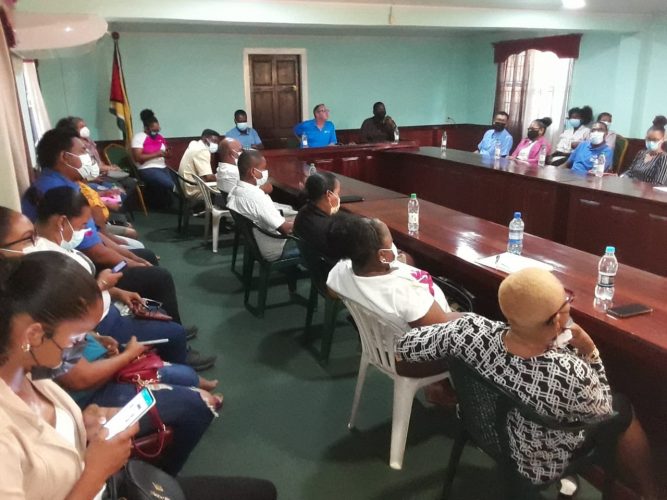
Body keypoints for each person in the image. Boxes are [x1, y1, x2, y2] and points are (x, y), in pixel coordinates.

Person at [0, 253, 277, 500]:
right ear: (33, 335)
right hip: (97, 483)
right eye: (76, 339)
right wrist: (96, 472)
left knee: (262, 491)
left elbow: (56, 436)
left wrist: (87, 422)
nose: (82, 347)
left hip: (106, 483)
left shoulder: (32, 372)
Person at [395, 268, 657, 499]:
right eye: (566, 300)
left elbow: (405, 347)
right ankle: (653, 493)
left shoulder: (467, 330)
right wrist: (590, 351)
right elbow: (601, 411)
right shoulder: (569, 371)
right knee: (623, 408)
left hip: (481, 428)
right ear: (558, 320)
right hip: (536, 462)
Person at [5, 195, 215, 371]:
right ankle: (180, 369)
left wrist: (117, 293)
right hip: (104, 323)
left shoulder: (47, 249)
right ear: (61, 222)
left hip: (103, 314)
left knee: (160, 312)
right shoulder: (36, 267)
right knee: (175, 333)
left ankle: (171, 359)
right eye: (28, 237)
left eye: (33, 234)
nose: (34, 241)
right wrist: (102, 289)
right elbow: (66, 315)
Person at [326, 215, 450, 331]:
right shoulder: (405, 292)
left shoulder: (340, 270)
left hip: (379, 343)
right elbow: (443, 329)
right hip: (414, 348)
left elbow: (332, 293)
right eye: (391, 244)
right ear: (382, 255)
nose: (394, 248)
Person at [227, 150, 299, 261]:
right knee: (316, 234)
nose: (265, 172)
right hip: (274, 249)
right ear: (253, 172)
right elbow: (286, 230)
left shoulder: (234, 191)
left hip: (257, 243)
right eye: (263, 168)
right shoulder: (257, 198)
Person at [131, 108, 175, 209]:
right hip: (147, 168)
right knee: (170, 184)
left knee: (179, 183)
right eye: (154, 130)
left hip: (163, 167)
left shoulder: (160, 137)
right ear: (146, 128)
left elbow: (168, 155)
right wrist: (157, 154)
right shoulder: (139, 137)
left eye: (158, 129)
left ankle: (173, 205)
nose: (156, 132)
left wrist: (168, 153)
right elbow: (138, 158)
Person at [294, 171, 341, 258]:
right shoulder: (329, 228)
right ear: (329, 195)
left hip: (312, 264)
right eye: (337, 193)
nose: (338, 197)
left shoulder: (303, 212)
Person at [178, 129, 222, 201]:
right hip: (193, 189)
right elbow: (208, 178)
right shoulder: (202, 151)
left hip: (183, 185)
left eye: (217, 143)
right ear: (205, 139)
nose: (216, 145)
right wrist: (223, 177)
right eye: (214, 141)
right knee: (226, 189)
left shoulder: (194, 144)